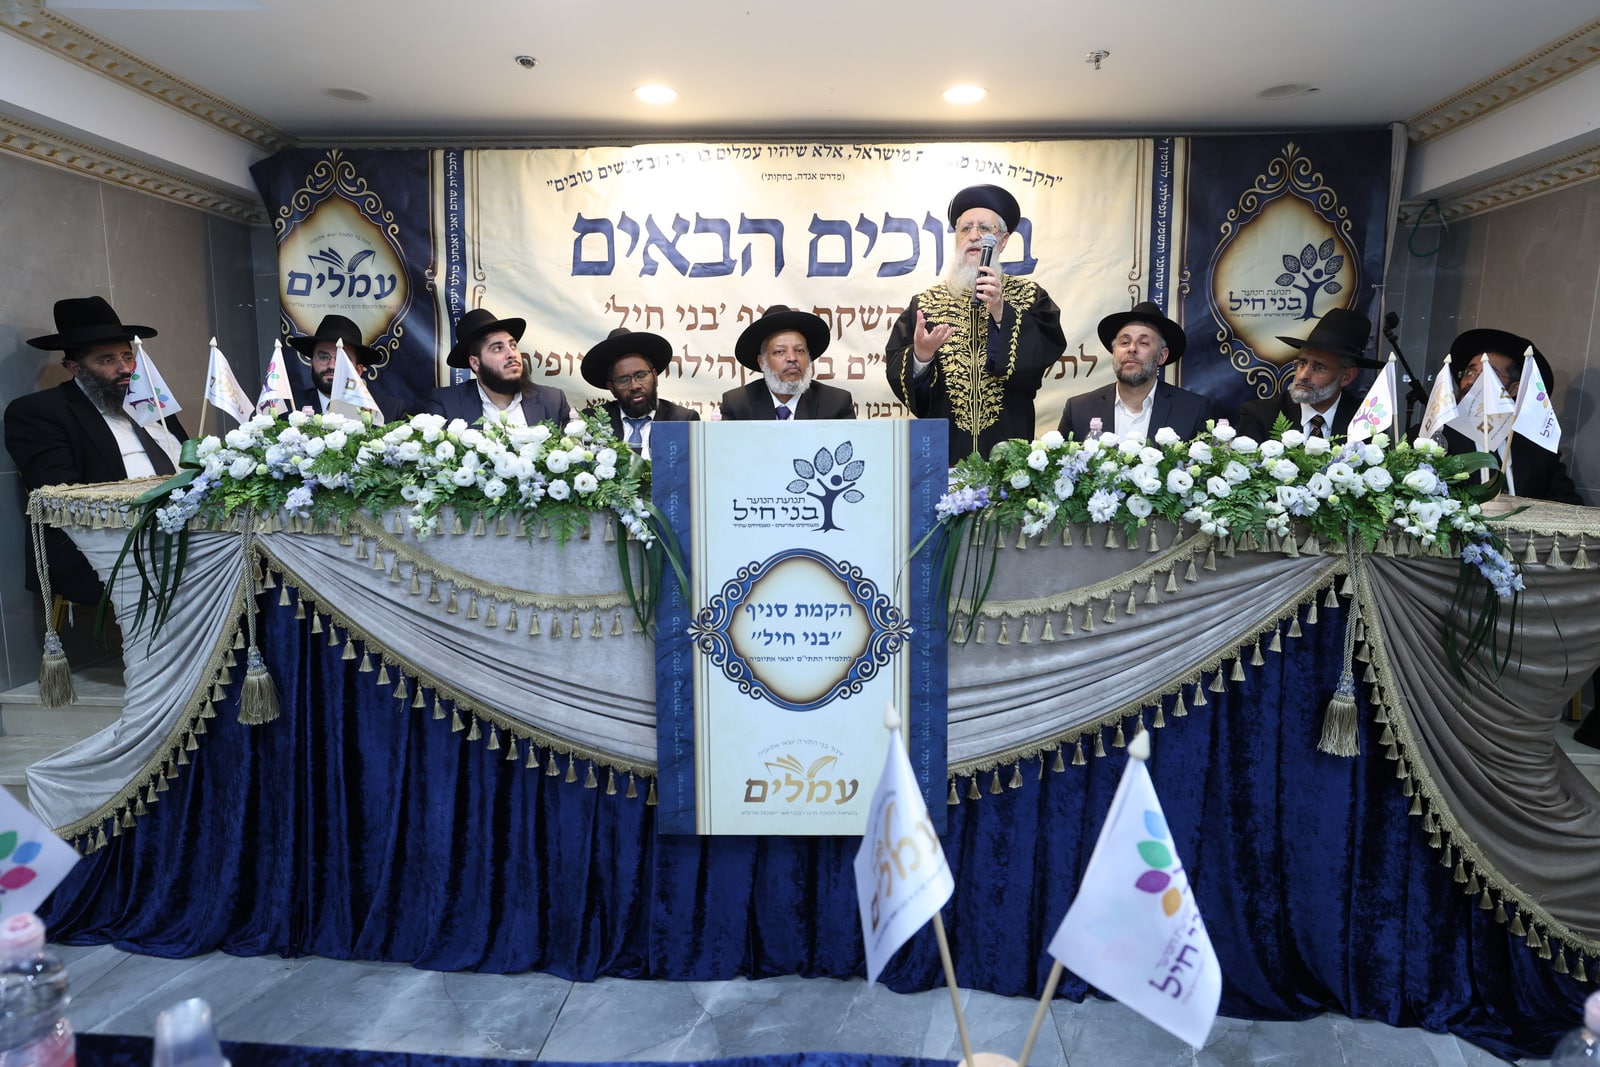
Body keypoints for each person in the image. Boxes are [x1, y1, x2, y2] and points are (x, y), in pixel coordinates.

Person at [5, 296, 188, 605]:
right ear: (75, 368)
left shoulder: (150, 403)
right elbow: (61, 497)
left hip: (187, 533)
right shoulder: (41, 412)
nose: (125, 368)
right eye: (106, 360)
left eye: (127, 356)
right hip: (109, 547)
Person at [884, 184, 1065, 464]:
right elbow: (903, 378)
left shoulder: (1030, 296)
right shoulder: (926, 304)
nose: (974, 236)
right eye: (965, 228)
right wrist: (922, 356)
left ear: (1003, 241)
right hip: (944, 454)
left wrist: (1002, 312)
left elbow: (1040, 358)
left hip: (1010, 453)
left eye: (985, 228)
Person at [1442, 327, 1581, 505]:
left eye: (1488, 374)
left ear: (1514, 388)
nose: (1472, 380)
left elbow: (1569, 503)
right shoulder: (1437, 437)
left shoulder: (1537, 446)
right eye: (1470, 372)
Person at [1057, 301, 1214, 441]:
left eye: (1143, 343)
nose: (1131, 349)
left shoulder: (1193, 410)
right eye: (1124, 342)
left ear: (1162, 356)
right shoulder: (1078, 410)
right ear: (1114, 351)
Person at [1236, 307, 1379, 441]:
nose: (1303, 375)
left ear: (1346, 377)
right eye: (1302, 363)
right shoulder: (1261, 415)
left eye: (1319, 368)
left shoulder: (1367, 420)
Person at [421, 307, 568, 426]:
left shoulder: (553, 401)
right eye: (498, 348)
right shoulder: (446, 403)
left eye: (513, 345)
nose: (512, 354)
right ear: (475, 363)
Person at [719, 305, 855, 420]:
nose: (792, 358)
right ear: (762, 362)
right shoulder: (738, 405)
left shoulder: (836, 403)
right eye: (780, 351)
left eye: (799, 350)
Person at [580, 327, 698, 457]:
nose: (634, 386)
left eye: (641, 375)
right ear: (611, 387)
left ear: (655, 376)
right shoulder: (592, 422)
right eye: (623, 380)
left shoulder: (682, 421)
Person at [287, 313, 404, 421]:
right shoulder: (289, 408)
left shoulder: (388, 412)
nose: (331, 365)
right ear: (312, 363)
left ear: (358, 370)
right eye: (323, 357)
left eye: (342, 359)